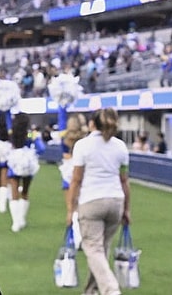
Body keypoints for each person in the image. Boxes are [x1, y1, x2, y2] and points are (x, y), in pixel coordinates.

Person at [66, 108, 131, 295]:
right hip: (116, 200)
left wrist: (70, 209)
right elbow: (125, 181)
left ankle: (111, 289)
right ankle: (91, 291)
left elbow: (76, 180)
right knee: (102, 250)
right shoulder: (120, 146)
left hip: (91, 201)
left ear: (93, 123)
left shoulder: (83, 146)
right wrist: (127, 209)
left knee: (94, 250)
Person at [6, 112, 40, 232]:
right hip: (27, 163)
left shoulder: (11, 134)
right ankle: (22, 219)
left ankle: (15, 223)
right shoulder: (30, 135)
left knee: (14, 191)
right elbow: (41, 148)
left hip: (14, 163)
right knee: (25, 191)